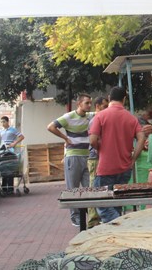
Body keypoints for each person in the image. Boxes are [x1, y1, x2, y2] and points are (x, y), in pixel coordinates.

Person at [89, 87, 145, 223]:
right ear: (124, 99)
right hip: (125, 168)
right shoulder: (131, 118)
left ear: (109, 98)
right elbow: (142, 138)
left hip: (106, 168)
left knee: (101, 203)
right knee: (117, 203)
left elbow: (92, 140)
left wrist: (99, 148)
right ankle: (118, 236)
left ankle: (121, 224)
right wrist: (133, 159)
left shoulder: (100, 116)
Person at [47, 94, 92, 226]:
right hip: (73, 156)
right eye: (87, 103)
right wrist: (65, 138)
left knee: (89, 188)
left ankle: (89, 215)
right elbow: (50, 126)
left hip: (87, 156)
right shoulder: (69, 117)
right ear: (79, 104)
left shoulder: (90, 116)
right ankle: (75, 217)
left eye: (90, 103)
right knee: (73, 188)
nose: (89, 105)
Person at [87, 96, 109, 228]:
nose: (106, 109)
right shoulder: (96, 120)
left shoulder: (101, 119)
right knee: (94, 188)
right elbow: (93, 140)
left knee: (100, 187)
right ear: (98, 106)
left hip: (99, 157)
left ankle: (97, 217)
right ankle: (92, 220)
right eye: (104, 106)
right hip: (95, 158)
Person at [0, 116, 24, 195]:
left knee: (10, 168)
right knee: (3, 168)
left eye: (4, 122)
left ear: (7, 122)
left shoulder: (12, 130)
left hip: (10, 151)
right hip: (3, 151)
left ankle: (10, 188)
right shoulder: (1, 131)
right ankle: (4, 188)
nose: (3, 123)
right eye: (1, 122)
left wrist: (14, 143)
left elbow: (21, 136)